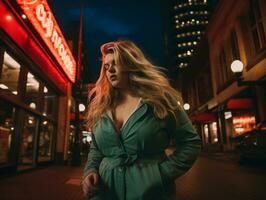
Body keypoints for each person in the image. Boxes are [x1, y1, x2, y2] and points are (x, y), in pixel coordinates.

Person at [82, 40, 201, 200]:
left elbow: (190, 143)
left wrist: (160, 174)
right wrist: (90, 171)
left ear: (131, 63)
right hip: (104, 193)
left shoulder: (160, 100)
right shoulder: (102, 105)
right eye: (106, 66)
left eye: (116, 63)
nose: (110, 70)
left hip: (150, 194)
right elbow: (96, 148)